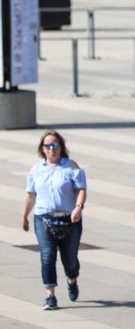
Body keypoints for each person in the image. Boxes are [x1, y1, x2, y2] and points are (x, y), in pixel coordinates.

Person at [21, 130, 87, 310]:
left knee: (70, 259)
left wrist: (78, 208)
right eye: (47, 146)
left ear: (61, 147)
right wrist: (24, 216)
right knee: (47, 257)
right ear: (42, 149)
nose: (52, 149)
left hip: (70, 219)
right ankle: (50, 296)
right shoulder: (36, 169)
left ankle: (72, 280)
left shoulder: (71, 166)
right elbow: (31, 195)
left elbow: (81, 189)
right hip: (43, 218)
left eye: (55, 145)